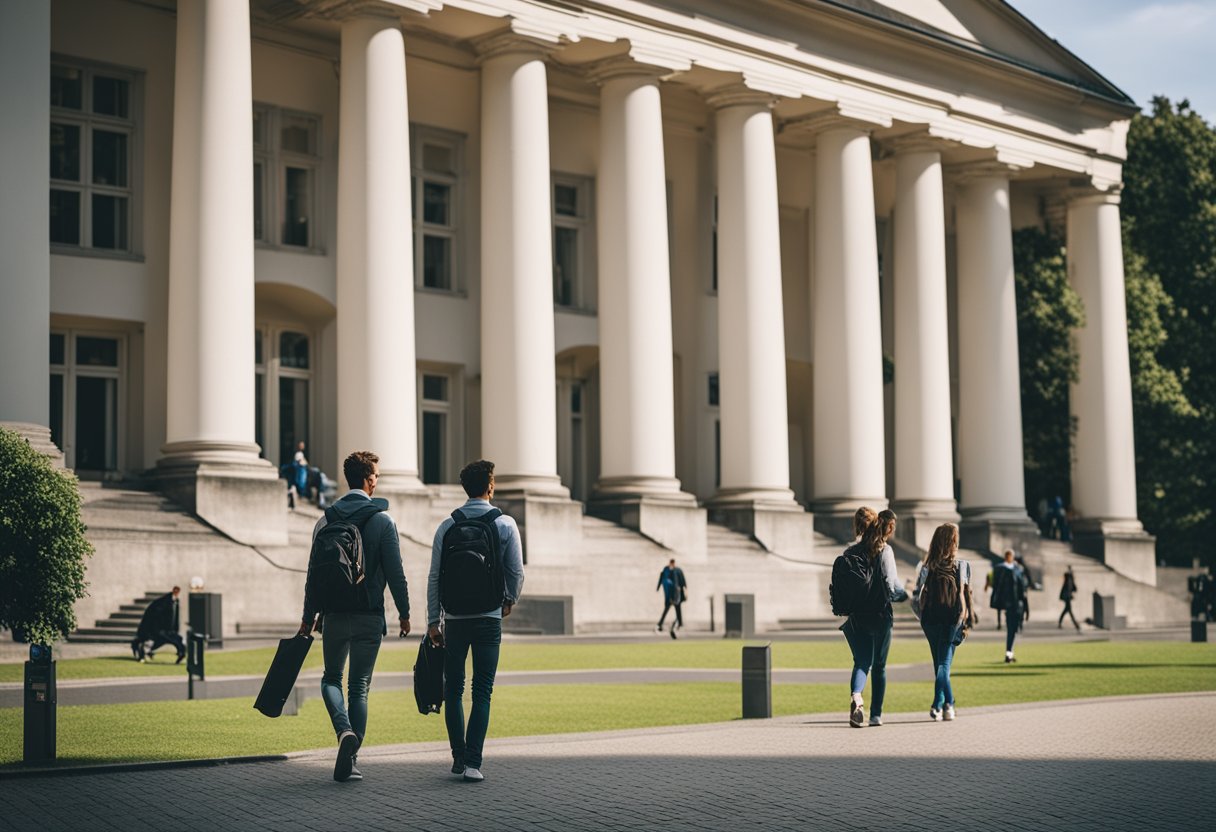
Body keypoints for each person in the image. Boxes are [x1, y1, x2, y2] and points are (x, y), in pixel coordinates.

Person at [298, 450, 411, 783]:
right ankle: (352, 759)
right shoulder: (383, 520)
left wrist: (308, 616)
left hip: (332, 615)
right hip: (369, 615)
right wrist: (405, 613)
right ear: (369, 479)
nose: (377, 480)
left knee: (330, 678)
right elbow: (396, 573)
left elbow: (313, 575)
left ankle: (342, 730)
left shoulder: (325, 520)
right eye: (376, 475)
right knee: (359, 687)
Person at [427, 459, 525, 784]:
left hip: (454, 619)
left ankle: (457, 755)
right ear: (491, 485)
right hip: (488, 617)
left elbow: (434, 577)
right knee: (482, 690)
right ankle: (473, 763)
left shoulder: (447, 526)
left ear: (465, 488)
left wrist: (433, 620)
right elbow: (516, 572)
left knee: (453, 689)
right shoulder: (505, 524)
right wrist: (509, 599)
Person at [842, 508, 907, 728]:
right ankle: (876, 715)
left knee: (861, 663)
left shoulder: (849, 552)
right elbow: (891, 584)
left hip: (857, 616)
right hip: (880, 615)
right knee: (879, 666)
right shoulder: (884, 550)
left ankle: (857, 698)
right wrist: (905, 595)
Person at [913, 524, 972, 722]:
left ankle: (947, 704)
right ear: (953, 541)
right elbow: (965, 596)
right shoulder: (962, 566)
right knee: (943, 665)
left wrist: (922, 617)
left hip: (930, 620)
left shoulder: (927, 565)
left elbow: (915, 596)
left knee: (939, 665)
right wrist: (964, 620)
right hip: (952, 620)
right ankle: (942, 705)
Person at [991, 549, 1028, 663]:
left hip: (1013, 605)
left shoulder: (1013, 570)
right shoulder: (1009, 570)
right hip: (1012, 605)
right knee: (1012, 630)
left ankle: (1009, 653)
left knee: (1012, 631)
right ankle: (1009, 654)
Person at [130, 586, 184, 663]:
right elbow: (157, 615)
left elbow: (174, 617)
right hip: (158, 628)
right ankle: (144, 652)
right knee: (159, 640)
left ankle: (180, 652)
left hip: (164, 629)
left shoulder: (173, 601)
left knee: (171, 640)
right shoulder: (163, 602)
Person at [655, 558, 687, 638]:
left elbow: (683, 581)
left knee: (677, 610)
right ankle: (660, 624)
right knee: (668, 609)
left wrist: (685, 591)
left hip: (676, 594)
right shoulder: (667, 570)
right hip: (670, 594)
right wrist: (658, 587)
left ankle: (678, 624)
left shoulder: (677, 571)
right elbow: (662, 578)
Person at [1058, 566, 1081, 631]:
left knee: (1066, 610)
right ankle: (1076, 624)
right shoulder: (1069, 578)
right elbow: (1069, 588)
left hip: (1067, 596)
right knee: (1069, 611)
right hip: (1067, 597)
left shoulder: (1070, 579)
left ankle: (1060, 623)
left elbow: (1073, 588)